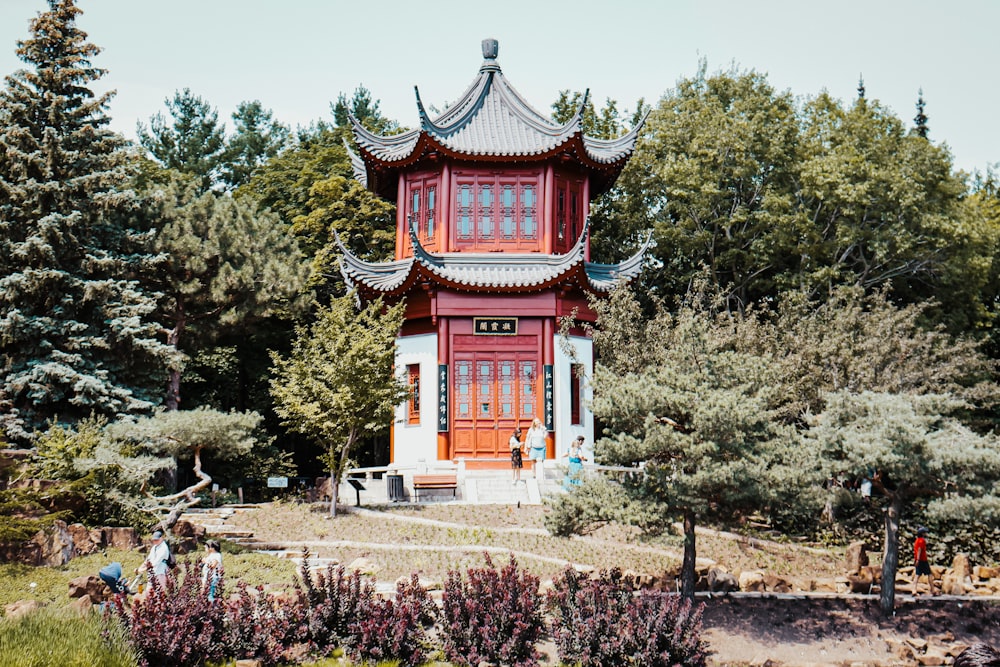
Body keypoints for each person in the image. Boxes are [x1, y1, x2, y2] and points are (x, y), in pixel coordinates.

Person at [912, 526, 935, 596]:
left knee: (917, 575)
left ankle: (914, 590)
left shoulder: (916, 540)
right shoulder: (922, 541)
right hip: (923, 560)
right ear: (922, 533)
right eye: (924, 532)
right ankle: (933, 590)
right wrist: (918, 559)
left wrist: (916, 559)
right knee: (929, 574)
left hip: (918, 559)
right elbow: (919, 550)